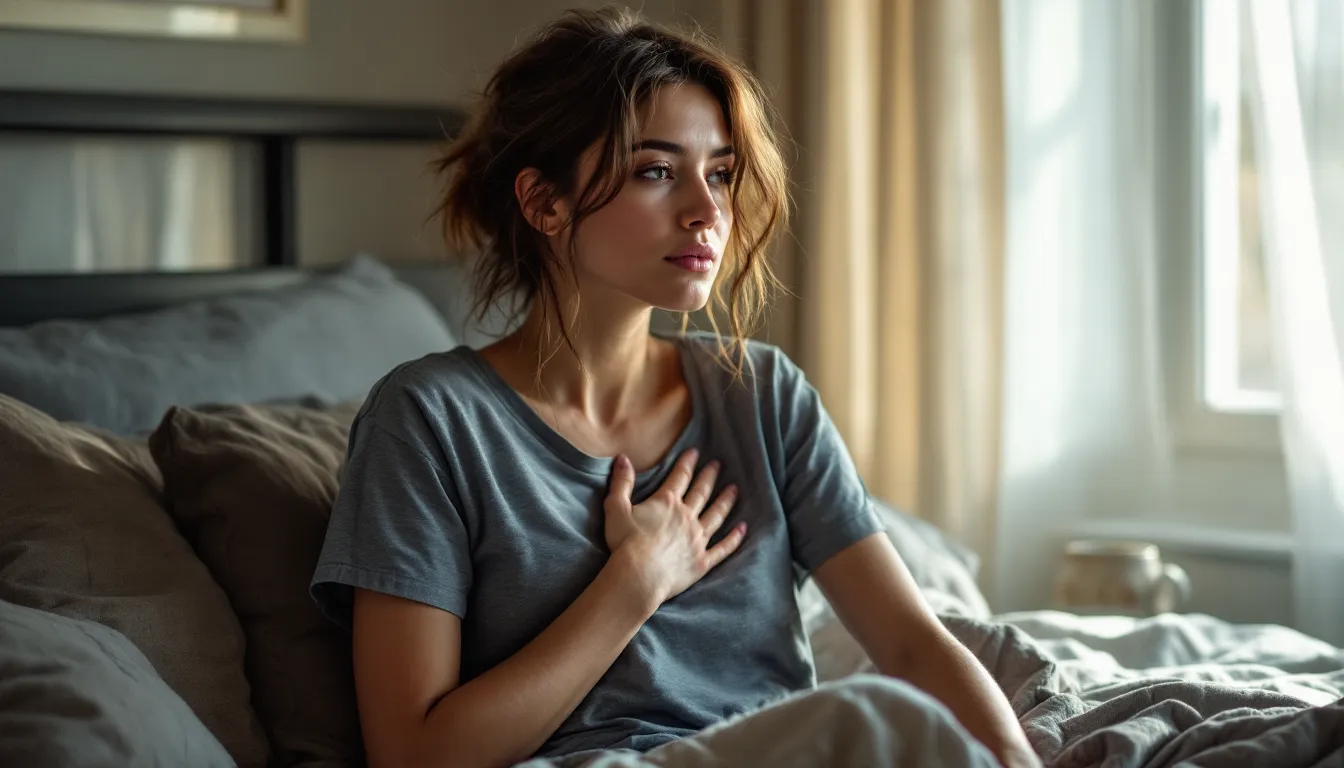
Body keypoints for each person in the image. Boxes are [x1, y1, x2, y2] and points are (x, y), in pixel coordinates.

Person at [309, 7, 1041, 768]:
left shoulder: (761, 394)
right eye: (657, 172)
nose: (707, 211)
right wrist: (633, 584)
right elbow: (411, 754)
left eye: (719, 173)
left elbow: (912, 643)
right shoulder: (428, 420)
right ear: (544, 203)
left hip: (791, 750)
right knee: (884, 723)